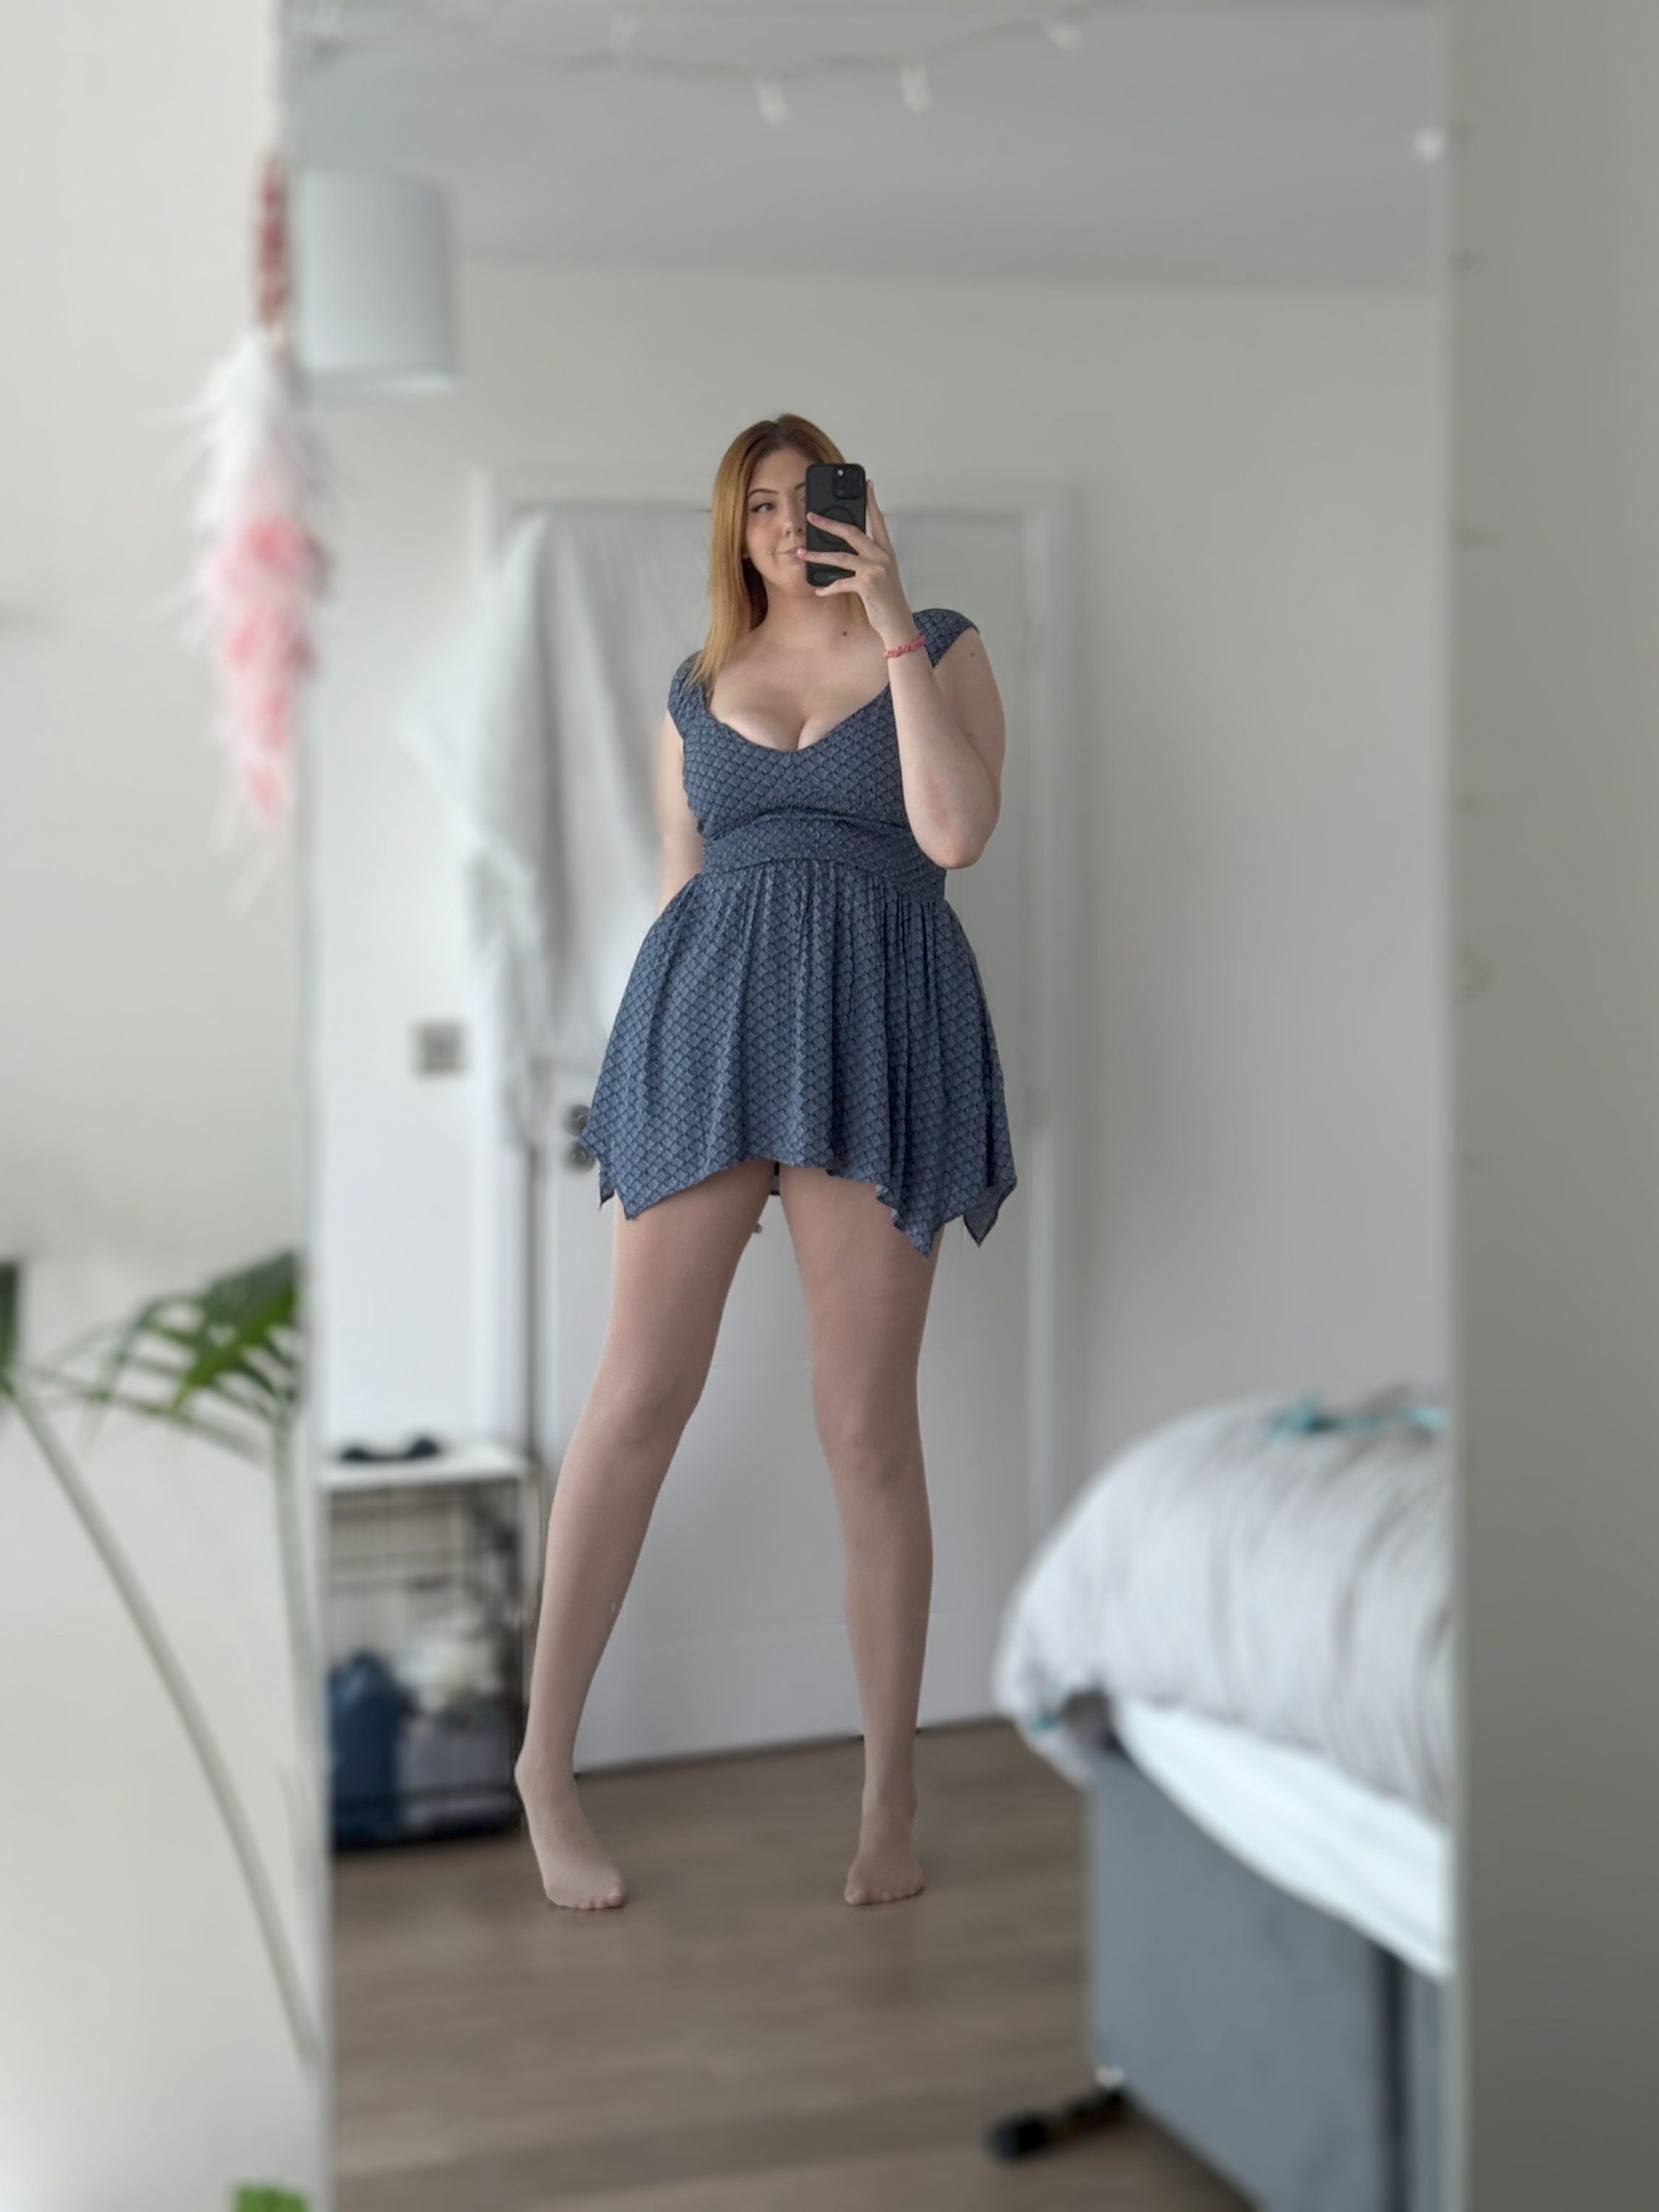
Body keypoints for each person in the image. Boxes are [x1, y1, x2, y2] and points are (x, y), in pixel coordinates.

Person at [513, 414, 1017, 1910]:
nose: (791, 523)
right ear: (733, 530)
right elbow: (682, 887)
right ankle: (542, 1763)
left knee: (863, 1424)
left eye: (815, 497)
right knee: (634, 1399)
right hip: (707, 1026)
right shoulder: (697, 685)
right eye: (762, 506)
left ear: (860, 507)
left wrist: (892, 619)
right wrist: (657, 1055)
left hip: (877, 1029)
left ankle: (887, 1793)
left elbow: (954, 834)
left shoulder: (940, 643)